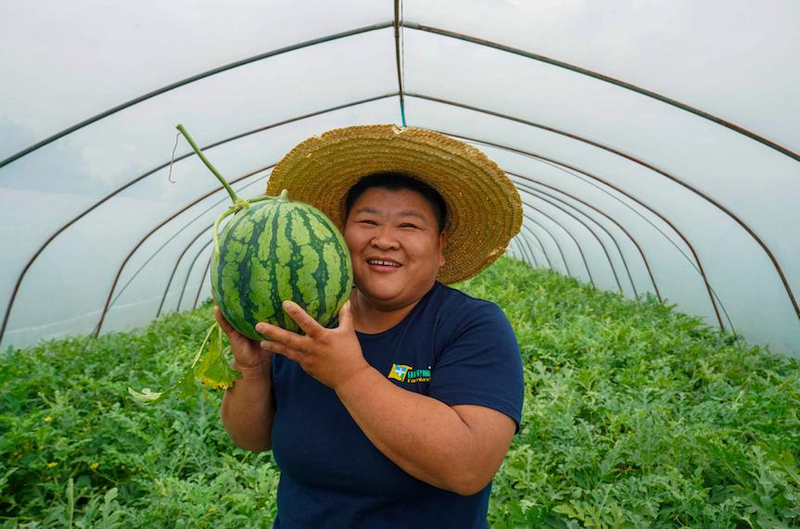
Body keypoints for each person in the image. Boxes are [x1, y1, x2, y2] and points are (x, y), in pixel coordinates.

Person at [215, 125, 524, 528]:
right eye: (367, 221)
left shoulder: (472, 326)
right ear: (339, 236)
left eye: (409, 226)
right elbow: (251, 439)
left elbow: (467, 467)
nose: (384, 240)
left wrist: (349, 375)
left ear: (441, 247)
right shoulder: (306, 320)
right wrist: (253, 371)